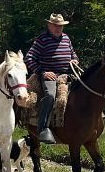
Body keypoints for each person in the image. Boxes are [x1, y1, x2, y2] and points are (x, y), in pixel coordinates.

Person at [24, 13, 79, 145]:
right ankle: (43, 128)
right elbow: (29, 58)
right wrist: (43, 72)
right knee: (50, 95)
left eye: (60, 26)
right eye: (55, 25)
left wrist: (75, 60)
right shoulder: (42, 39)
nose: (58, 28)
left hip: (67, 74)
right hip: (50, 75)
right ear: (49, 25)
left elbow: (73, 53)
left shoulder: (66, 38)